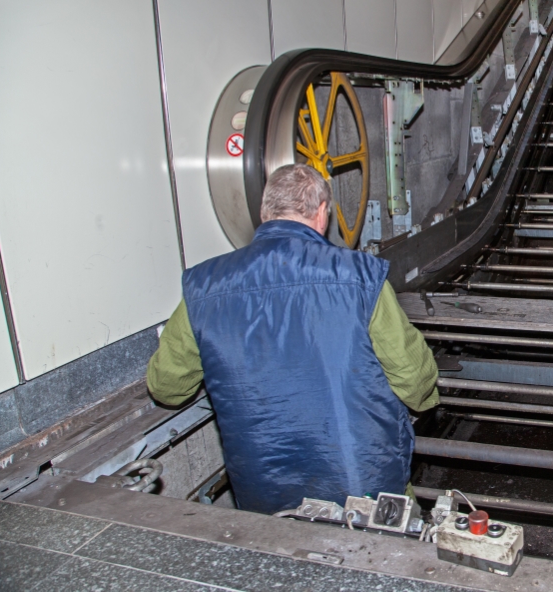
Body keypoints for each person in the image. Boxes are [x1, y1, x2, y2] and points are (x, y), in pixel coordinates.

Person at [147, 164, 439, 515]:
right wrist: (425, 400)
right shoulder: (357, 276)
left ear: (263, 213)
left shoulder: (204, 286)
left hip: (262, 487)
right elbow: (412, 374)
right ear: (322, 213)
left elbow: (167, 386)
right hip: (361, 480)